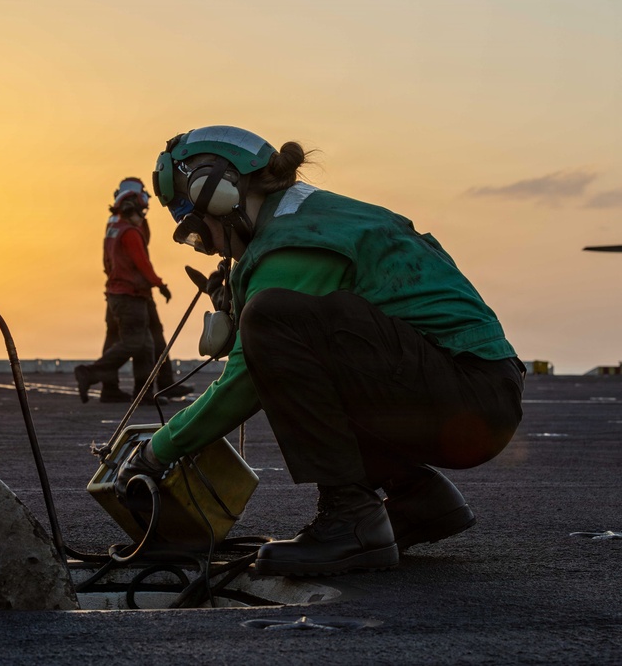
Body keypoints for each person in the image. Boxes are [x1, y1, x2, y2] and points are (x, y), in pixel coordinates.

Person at [115, 125, 525, 576]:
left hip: (470, 400)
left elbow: (248, 375)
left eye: (198, 231)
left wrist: (158, 452)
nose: (209, 248)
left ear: (219, 194)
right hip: (469, 391)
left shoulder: (296, 240)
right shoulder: (310, 217)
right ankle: (417, 498)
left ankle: (351, 519)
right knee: (277, 328)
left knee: (271, 318)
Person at [97, 178, 195, 403]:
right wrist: (158, 284)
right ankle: (160, 384)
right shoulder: (130, 224)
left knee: (113, 336)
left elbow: (107, 257)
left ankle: (109, 386)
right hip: (135, 290)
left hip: (116, 289)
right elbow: (141, 259)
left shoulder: (113, 222)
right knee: (152, 336)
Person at [74, 184, 173, 406]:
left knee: (146, 346)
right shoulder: (130, 232)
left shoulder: (114, 230)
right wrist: (160, 284)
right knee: (133, 343)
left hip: (118, 294)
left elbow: (107, 262)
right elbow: (142, 264)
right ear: (132, 209)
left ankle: (144, 394)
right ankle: (89, 373)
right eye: (142, 212)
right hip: (130, 296)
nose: (143, 217)